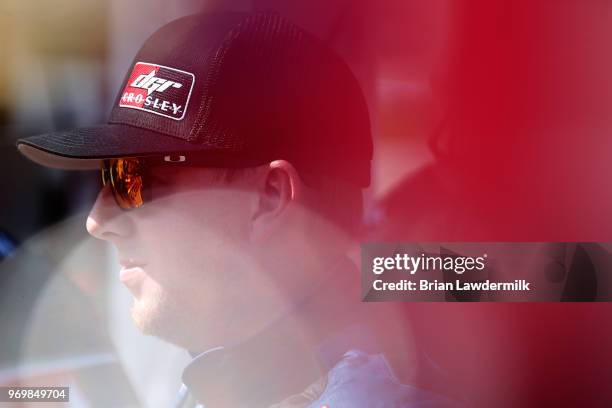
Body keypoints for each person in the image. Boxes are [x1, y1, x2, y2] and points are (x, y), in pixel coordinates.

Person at [17, 11, 457, 407]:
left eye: (135, 180)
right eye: (110, 175)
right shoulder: (236, 382)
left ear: (267, 198)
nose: (98, 222)